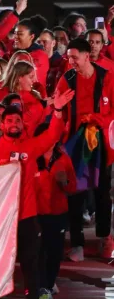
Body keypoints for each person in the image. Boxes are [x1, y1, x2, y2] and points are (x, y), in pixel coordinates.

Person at [0, 88, 75, 299]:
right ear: (1, 124)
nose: (13, 124)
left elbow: (53, 134)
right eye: (8, 120)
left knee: (31, 264)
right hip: (0, 219)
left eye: (17, 120)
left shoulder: (30, 147)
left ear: (22, 124)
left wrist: (58, 110)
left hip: (27, 216)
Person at [55, 38, 114, 261]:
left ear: (87, 56)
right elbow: (58, 110)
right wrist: (58, 106)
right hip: (74, 141)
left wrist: (95, 118)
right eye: (68, 57)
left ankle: (104, 238)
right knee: (76, 193)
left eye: (74, 57)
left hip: (101, 141)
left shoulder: (106, 77)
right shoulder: (67, 78)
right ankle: (77, 243)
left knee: (102, 191)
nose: (71, 62)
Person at [33, 122, 76, 299]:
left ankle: (48, 286)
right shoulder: (31, 159)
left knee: (54, 253)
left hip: (58, 214)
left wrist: (64, 182)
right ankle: (40, 288)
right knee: (37, 253)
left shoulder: (64, 159)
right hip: (36, 214)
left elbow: (73, 188)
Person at [13, 15, 50, 91]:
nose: (15, 37)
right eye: (15, 33)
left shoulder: (39, 56)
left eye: (20, 34)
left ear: (32, 36)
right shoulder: (14, 52)